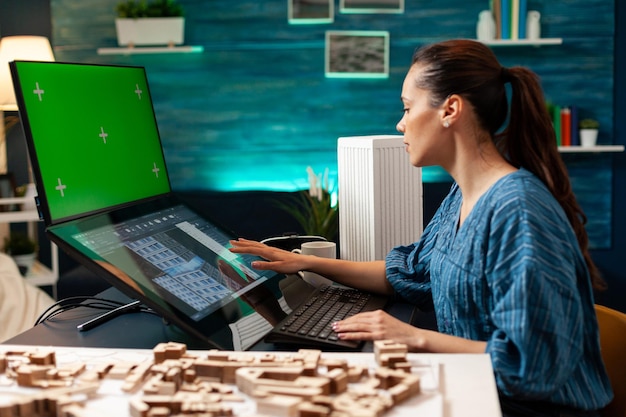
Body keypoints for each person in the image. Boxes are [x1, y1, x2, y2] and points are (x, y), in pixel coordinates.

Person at [229, 39, 613, 416]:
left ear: (450, 110)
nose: (400, 124)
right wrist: (307, 263)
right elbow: (409, 273)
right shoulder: (461, 196)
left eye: (408, 108)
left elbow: (532, 366)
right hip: (480, 392)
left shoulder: (519, 211)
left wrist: (413, 337)